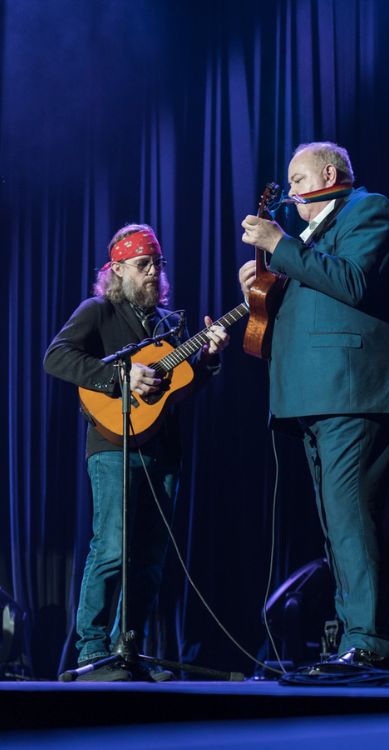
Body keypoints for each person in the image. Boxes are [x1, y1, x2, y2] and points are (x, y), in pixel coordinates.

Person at [239, 141, 389, 670]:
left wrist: (280, 244)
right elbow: (293, 316)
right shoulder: (306, 242)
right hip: (314, 394)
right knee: (337, 520)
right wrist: (259, 291)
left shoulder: (369, 209)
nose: (290, 192)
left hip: (353, 389)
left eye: (298, 180)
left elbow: (355, 281)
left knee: (348, 516)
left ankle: (366, 637)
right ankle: (355, 634)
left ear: (329, 172)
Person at [44, 223, 229, 681]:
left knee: (150, 557)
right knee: (112, 546)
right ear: (118, 269)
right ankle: (91, 649)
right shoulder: (98, 311)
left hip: (163, 448)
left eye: (157, 265)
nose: (153, 273)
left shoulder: (170, 324)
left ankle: (128, 649)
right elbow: (56, 357)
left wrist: (207, 360)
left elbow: (181, 388)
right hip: (111, 443)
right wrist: (121, 378)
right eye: (143, 264)